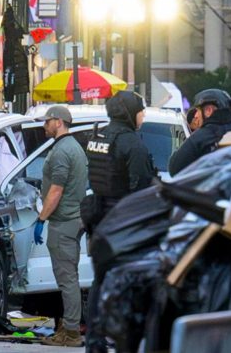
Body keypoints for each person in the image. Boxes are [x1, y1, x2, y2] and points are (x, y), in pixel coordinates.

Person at [83, 91, 155, 353]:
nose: (143, 116)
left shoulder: (98, 136)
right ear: (129, 113)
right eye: (141, 111)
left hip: (99, 218)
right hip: (125, 223)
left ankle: (95, 341)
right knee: (132, 283)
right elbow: (142, 189)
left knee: (100, 281)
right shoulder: (132, 144)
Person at [33, 106, 88, 348]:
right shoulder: (73, 147)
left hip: (63, 221)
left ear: (59, 122)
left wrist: (41, 218)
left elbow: (56, 190)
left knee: (67, 279)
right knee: (70, 276)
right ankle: (68, 326)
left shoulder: (62, 151)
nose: (45, 126)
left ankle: (72, 332)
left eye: (47, 122)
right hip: (73, 219)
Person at [168, 89, 231, 176]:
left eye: (198, 111)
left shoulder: (202, 136)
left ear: (208, 111)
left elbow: (174, 168)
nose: (195, 115)